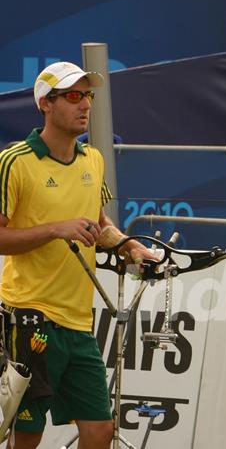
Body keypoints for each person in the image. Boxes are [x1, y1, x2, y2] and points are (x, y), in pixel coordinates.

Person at [0, 61, 154, 449]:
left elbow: (99, 224)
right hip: (28, 318)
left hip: (79, 324)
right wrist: (56, 228)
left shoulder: (93, 160)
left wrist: (127, 245)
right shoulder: (14, 161)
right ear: (45, 104)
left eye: (88, 95)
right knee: (26, 435)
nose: (84, 104)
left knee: (100, 431)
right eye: (72, 95)